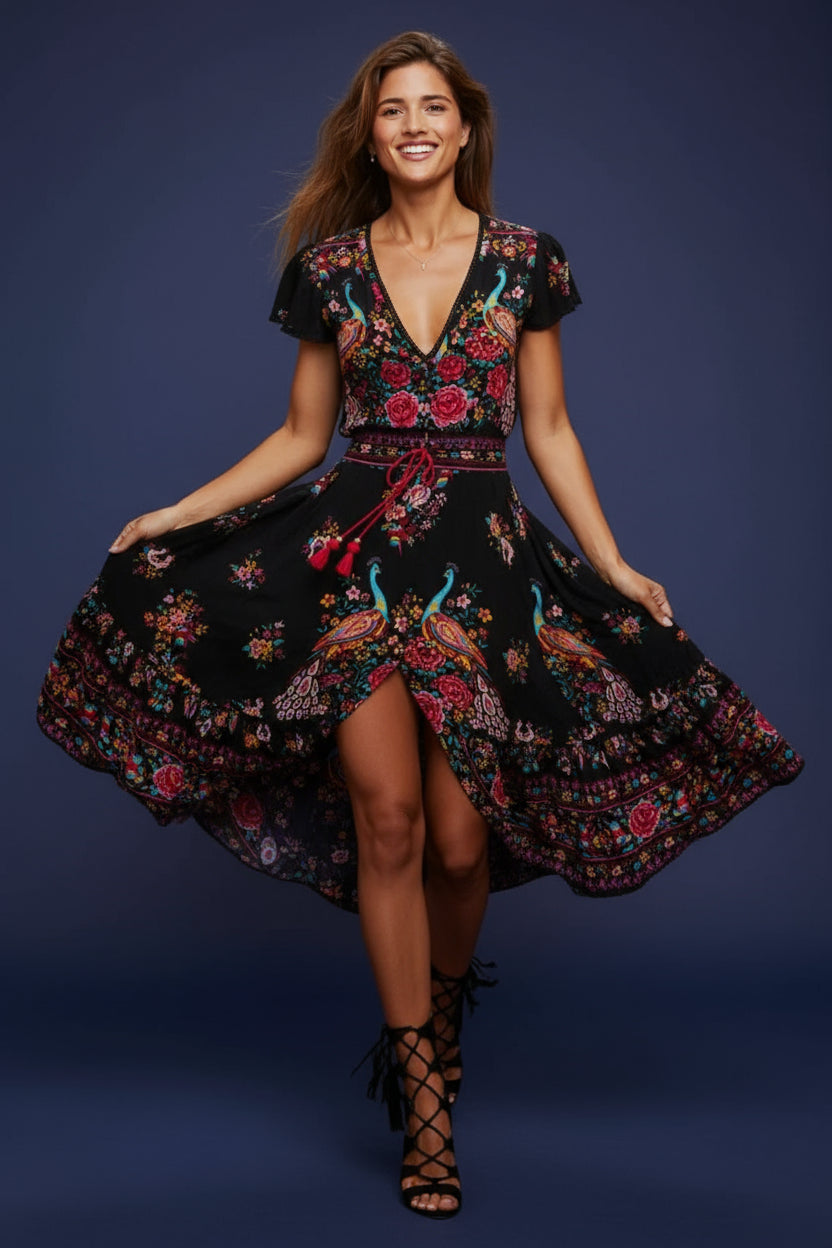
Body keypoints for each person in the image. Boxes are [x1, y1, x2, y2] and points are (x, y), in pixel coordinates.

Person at [36, 29, 804, 1221]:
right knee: (386, 821)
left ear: (462, 127)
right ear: (371, 131)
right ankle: (424, 1102)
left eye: (431, 107)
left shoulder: (524, 260)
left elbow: (548, 429)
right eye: (391, 108)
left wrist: (612, 561)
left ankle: (440, 1022)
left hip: (485, 572)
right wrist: (178, 511)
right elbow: (303, 437)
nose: (411, 125)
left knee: (458, 844)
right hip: (355, 573)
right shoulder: (331, 268)